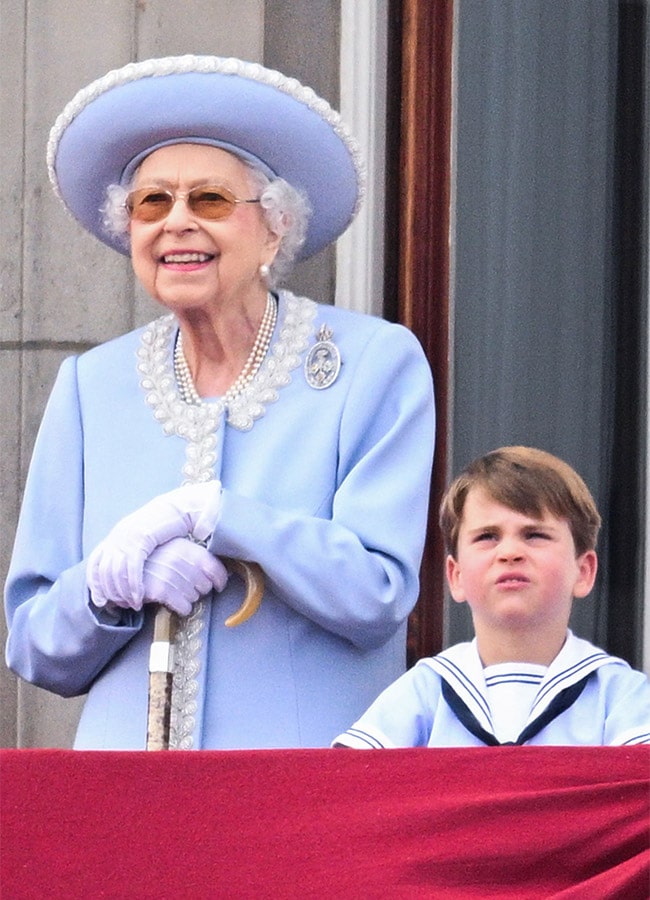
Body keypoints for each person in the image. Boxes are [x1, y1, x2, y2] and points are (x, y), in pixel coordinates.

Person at [4, 55, 435, 750]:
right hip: (124, 791)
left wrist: (224, 518)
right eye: (152, 203)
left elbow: (376, 595)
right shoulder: (91, 386)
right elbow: (33, 645)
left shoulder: (372, 364)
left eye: (209, 200)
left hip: (299, 785)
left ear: (275, 229)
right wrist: (109, 588)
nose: (176, 222)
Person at [333, 446, 650, 748]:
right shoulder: (426, 689)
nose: (510, 552)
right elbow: (351, 778)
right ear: (456, 576)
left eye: (535, 535)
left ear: (583, 572)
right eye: (487, 537)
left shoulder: (620, 696)